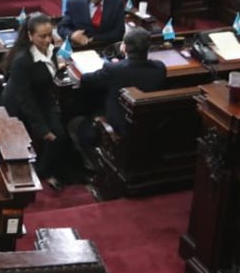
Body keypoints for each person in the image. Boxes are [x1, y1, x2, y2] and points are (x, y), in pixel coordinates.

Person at [67, 28, 168, 169]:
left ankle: (93, 167)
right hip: (149, 127)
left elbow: (85, 80)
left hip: (120, 128)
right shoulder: (159, 68)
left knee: (74, 125)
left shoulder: (114, 69)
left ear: (124, 47)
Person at [2, 12, 69, 190]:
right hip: (18, 104)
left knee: (60, 136)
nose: (48, 40)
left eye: (50, 34)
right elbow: (25, 100)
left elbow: (48, 72)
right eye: (42, 36)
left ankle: (42, 172)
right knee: (49, 137)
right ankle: (31, 175)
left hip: (42, 97)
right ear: (31, 36)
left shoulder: (50, 48)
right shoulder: (22, 61)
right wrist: (42, 129)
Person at [58, 0, 126, 48]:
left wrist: (94, 38)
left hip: (106, 47)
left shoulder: (116, 4)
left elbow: (119, 33)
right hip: (80, 48)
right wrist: (72, 35)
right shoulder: (74, 4)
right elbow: (62, 27)